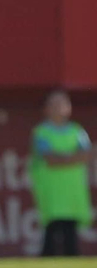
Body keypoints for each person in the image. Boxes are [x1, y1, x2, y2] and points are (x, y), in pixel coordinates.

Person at [28, 89, 92, 256]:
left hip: (72, 192)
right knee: (51, 234)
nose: (58, 108)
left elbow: (87, 155)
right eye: (54, 104)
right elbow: (50, 159)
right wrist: (72, 157)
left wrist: (62, 158)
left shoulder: (77, 131)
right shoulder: (42, 132)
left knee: (71, 236)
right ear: (46, 109)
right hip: (52, 193)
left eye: (62, 104)